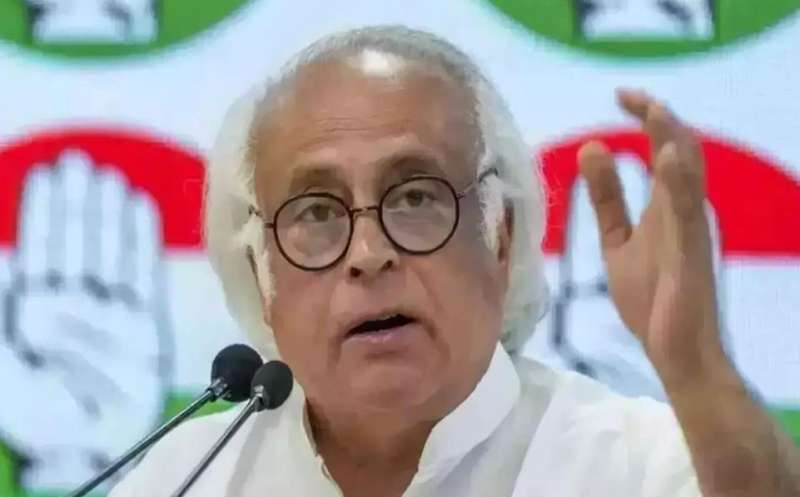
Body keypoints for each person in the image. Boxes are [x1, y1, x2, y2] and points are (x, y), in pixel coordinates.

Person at [109, 26, 800, 497]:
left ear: (500, 237)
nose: (369, 255)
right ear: (263, 275)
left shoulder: (640, 464)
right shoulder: (187, 478)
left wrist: (697, 367)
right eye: (316, 213)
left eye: (415, 197)